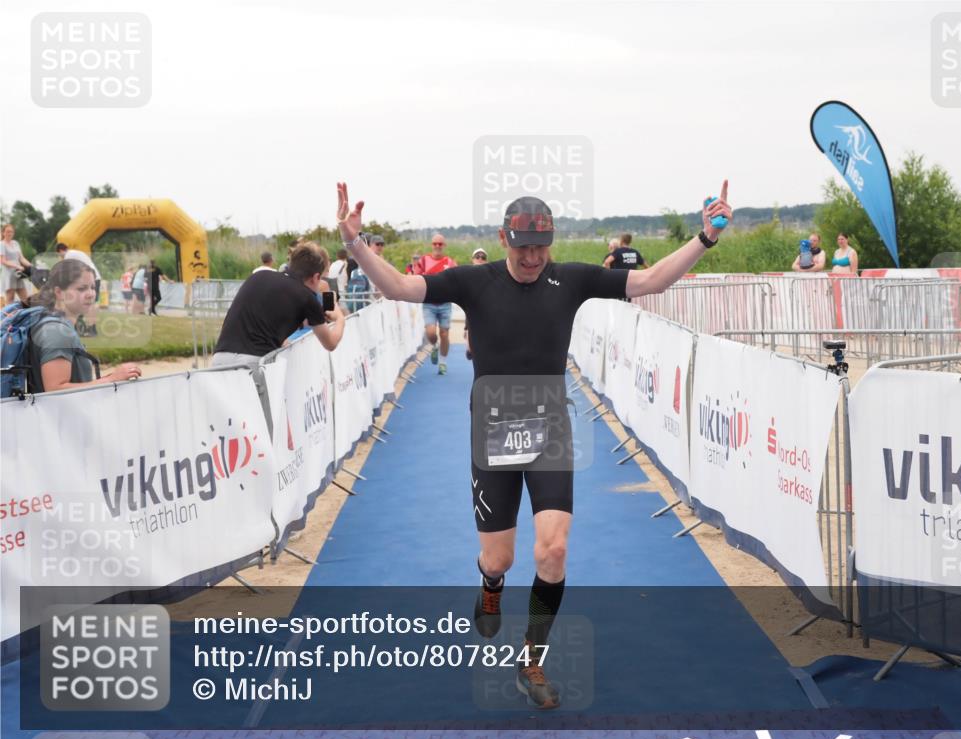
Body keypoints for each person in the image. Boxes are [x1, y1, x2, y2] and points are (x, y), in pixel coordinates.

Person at [335, 180, 731, 709]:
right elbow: (402, 291)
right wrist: (356, 246)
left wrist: (705, 238)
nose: (531, 257)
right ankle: (490, 584)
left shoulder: (571, 279)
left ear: (551, 243)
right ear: (504, 239)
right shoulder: (475, 281)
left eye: (540, 247)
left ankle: (531, 657)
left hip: (550, 427)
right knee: (499, 556)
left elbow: (653, 280)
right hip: (491, 429)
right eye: (522, 247)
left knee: (555, 550)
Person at [212, 240, 345, 368]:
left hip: (220, 357)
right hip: (255, 362)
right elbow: (330, 343)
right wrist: (340, 318)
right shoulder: (307, 296)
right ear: (316, 277)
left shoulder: (259, 276)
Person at [23, 259, 142, 392]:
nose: (91, 294)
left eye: (92, 287)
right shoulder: (57, 333)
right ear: (59, 292)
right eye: (81, 289)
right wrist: (111, 379)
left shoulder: (54, 324)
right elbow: (55, 390)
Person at [413, 233, 458, 374]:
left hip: (445, 304)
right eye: (435, 244)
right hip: (429, 304)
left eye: (440, 244)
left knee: (444, 333)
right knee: (431, 333)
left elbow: (457, 280)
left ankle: (442, 363)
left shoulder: (450, 262)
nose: (437, 246)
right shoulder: (424, 261)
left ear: (444, 245)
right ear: (432, 245)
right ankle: (434, 345)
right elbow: (415, 277)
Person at [57, 244, 102, 336]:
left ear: (61, 251)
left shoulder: (68, 255)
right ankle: (88, 327)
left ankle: (90, 329)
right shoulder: (76, 253)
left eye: (59, 254)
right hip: (94, 277)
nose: (60, 256)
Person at [465, 249, 489, 360]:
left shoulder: (491, 275)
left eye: (483, 257)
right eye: (477, 257)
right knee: (471, 352)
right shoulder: (466, 274)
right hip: (471, 312)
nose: (480, 259)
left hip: (487, 312)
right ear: (472, 259)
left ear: (486, 261)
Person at [2, 224, 33, 305]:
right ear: (3, 233)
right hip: (9, 274)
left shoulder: (15, 243)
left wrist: (31, 266)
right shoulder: (1, 244)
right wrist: (17, 266)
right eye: (7, 231)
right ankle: (6, 317)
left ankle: (27, 316)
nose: (9, 233)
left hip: (19, 273)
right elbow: (3, 261)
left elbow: (21, 258)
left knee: (25, 299)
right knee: (10, 299)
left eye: (11, 232)